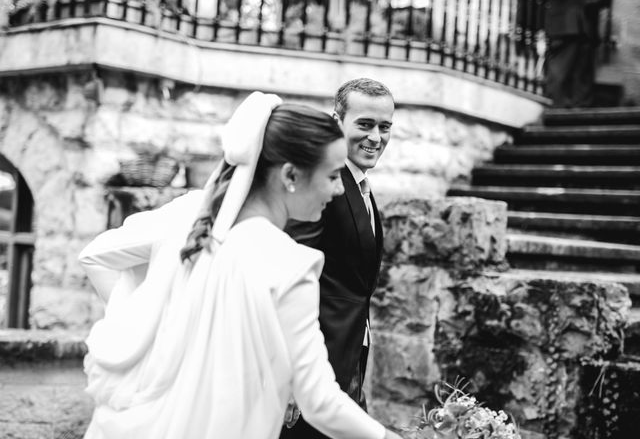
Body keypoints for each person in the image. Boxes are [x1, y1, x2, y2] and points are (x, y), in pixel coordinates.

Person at [79, 92, 403, 439]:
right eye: (332, 176)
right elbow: (320, 401)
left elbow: (97, 256)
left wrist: (144, 325)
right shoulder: (291, 265)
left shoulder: (192, 217)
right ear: (290, 175)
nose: (339, 190)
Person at [280, 78, 395, 439]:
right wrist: (292, 374)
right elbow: (294, 276)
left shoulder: (362, 187)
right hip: (312, 371)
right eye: (365, 124)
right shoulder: (324, 185)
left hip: (347, 361)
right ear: (336, 121)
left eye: (385, 127)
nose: (375, 137)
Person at [540, 0, 588, 107]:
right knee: (559, 71)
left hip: (566, 28)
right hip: (562, 28)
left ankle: (556, 109)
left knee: (558, 71)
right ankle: (558, 106)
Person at [575, 0, 611, 106]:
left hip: (587, 26)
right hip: (570, 26)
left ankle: (583, 101)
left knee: (585, 65)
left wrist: (584, 4)